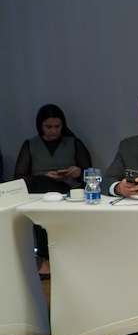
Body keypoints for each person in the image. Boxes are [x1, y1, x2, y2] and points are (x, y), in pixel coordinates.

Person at [14, 104, 93, 278]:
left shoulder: (73, 143)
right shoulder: (31, 145)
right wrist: (43, 176)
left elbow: (90, 174)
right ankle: (46, 256)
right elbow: (19, 178)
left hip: (69, 191)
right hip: (40, 194)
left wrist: (78, 172)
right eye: (48, 127)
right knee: (44, 189)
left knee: (48, 199)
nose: (53, 131)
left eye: (57, 126)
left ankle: (47, 258)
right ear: (40, 126)